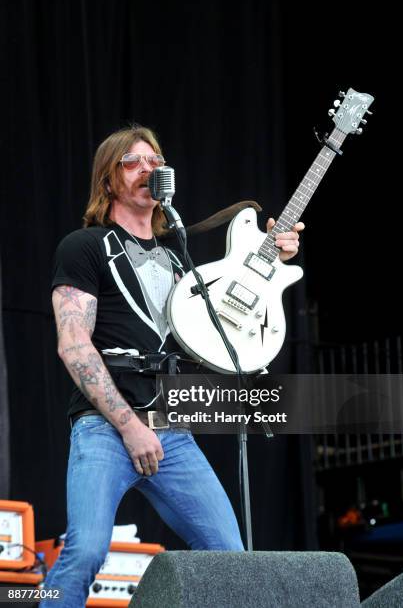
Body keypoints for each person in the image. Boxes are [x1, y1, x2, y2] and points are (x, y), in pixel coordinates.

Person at [41, 125, 304, 607]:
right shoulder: (84, 246)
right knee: (86, 551)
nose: (149, 168)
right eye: (133, 161)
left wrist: (271, 255)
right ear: (108, 179)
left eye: (155, 160)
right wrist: (129, 426)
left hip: (172, 429)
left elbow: (228, 319)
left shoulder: (178, 256)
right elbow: (74, 345)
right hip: (106, 425)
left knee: (229, 555)